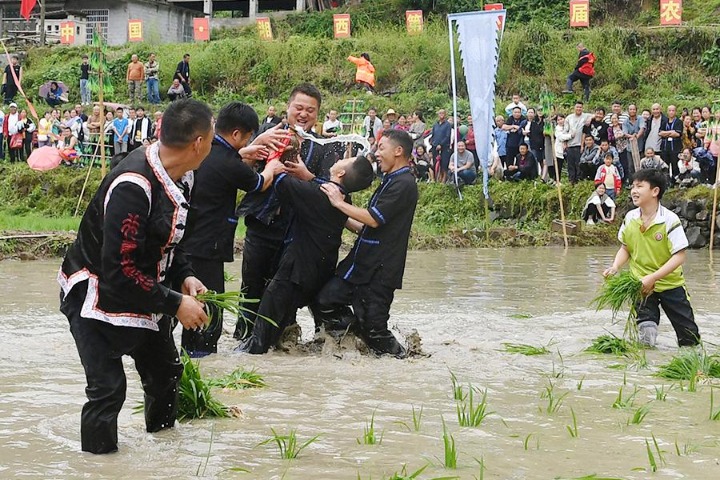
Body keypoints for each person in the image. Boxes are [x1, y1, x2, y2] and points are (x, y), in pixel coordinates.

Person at [58, 99, 214, 454]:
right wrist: (176, 304)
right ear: (199, 144)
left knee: (165, 374)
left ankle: (162, 452)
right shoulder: (133, 186)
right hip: (96, 292)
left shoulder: (182, 176)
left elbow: (172, 239)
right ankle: (100, 467)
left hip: (147, 290)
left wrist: (186, 275)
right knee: (108, 389)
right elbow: (118, 272)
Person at [238, 156, 375, 354]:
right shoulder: (343, 200)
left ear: (341, 173)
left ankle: (246, 359)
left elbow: (280, 181)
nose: (341, 158)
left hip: (295, 271)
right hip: (318, 273)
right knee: (280, 326)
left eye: (346, 159)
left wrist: (273, 161)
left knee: (262, 332)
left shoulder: (315, 195)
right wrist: (309, 177)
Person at [180, 102, 285, 357]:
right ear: (237, 134)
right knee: (211, 307)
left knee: (191, 301)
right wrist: (272, 166)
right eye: (247, 137)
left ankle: (186, 355)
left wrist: (248, 150)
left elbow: (229, 159)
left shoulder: (208, 151)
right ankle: (200, 359)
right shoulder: (228, 162)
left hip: (192, 240)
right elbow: (259, 183)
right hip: (208, 245)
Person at [234, 83, 337, 340]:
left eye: (310, 111)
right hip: (261, 223)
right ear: (287, 108)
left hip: (296, 232)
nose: (303, 114)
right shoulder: (268, 133)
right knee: (251, 287)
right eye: (299, 108)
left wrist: (307, 176)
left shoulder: (324, 147)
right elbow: (239, 168)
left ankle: (281, 340)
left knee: (283, 291)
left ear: (318, 114)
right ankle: (244, 338)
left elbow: (333, 189)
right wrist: (256, 147)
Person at [313, 130, 418, 357]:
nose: (376, 153)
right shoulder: (389, 181)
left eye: (381, 148)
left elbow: (373, 218)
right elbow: (366, 227)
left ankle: (406, 363)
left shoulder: (404, 183)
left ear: (398, 151)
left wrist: (339, 203)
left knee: (376, 332)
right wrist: (338, 214)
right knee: (325, 301)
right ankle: (352, 338)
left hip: (380, 270)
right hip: (360, 264)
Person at [604, 168, 700, 348]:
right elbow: (626, 248)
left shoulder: (670, 220)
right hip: (640, 284)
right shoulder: (630, 218)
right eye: (632, 186)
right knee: (646, 333)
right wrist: (615, 266)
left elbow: (679, 256)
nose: (633, 190)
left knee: (689, 337)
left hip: (670, 284)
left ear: (655, 191)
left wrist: (653, 277)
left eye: (639, 186)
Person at [564, 101, 591, 184]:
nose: (579, 109)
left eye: (580, 107)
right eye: (577, 107)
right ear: (574, 108)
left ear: (582, 108)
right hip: (570, 145)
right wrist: (564, 143)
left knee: (579, 164)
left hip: (580, 145)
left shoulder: (585, 116)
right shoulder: (569, 118)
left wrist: (590, 119)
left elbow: (595, 115)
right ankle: (571, 181)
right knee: (570, 165)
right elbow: (565, 131)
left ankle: (579, 182)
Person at [659, 105, 683, 179]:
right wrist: (671, 132)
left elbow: (677, 134)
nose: (671, 112)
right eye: (670, 110)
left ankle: (675, 179)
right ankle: (667, 180)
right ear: (667, 112)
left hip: (675, 147)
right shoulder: (664, 121)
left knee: (675, 164)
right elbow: (660, 133)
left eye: (673, 110)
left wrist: (666, 133)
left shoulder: (678, 122)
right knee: (665, 164)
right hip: (665, 147)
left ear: (675, 112)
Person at [431, 109, 452, 184]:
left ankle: (444, 179)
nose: (441, 114)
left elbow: (447, 136)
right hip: (435, 146)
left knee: (444, 163)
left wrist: (441, 144)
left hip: (444, 147)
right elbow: (433, 135)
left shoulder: (447, 125)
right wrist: (432, 143)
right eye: (440, 113)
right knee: (435, 162)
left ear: (445, 114)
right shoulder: (435, 124)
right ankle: (437, 178)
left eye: (443, 113)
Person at [503, 107, 527, 173]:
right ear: (512, 113)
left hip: (520, 144)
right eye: (515, 112)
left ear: (521, 112)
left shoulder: (523, 119)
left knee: (519, 161)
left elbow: (523, 128)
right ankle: (509, 175)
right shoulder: (510, 118)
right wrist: (513, 126)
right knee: (509, 160)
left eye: (518, 112)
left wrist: (517, 128)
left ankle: (518, 175)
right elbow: (504, 127)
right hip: (510, 144)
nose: (517, 114)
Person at [550, 114, 571, 180]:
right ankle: (557, 180)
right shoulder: (557, 128)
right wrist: (570, 135)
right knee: (558, 166)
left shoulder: (568, 126)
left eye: (561, 119)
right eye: (558, 120)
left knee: (570, 165)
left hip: (568, 148)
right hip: (559, 150)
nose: (560, 121)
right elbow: (561, 137)